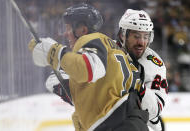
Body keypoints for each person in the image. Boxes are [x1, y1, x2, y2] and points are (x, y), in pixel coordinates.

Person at [28, 3, 149, 131]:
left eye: (68, 28)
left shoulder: (91, 38)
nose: (66, 34)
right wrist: (70, 87)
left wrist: (55, 53)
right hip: (129, 122)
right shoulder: (114, 50)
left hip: (117, 123)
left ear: (82, 30)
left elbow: (89, 69)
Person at [116, 9, 168, 131]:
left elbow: (156, 108)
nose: (141, 42)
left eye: (146, 37)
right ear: (123, 35)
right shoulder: (108, 52)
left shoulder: (154, 63)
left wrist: (137, 84)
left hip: (146, 126)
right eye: (136, 36)